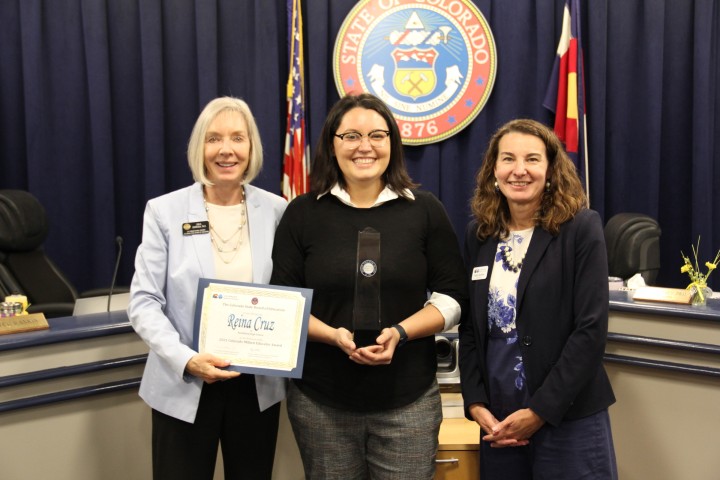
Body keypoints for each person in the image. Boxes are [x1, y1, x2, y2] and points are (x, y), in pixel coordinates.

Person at [270, 93, 467, 479]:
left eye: (377, 135)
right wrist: (331, 336)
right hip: (321, 403)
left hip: (407, 401)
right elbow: (283, 304)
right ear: (332, 144)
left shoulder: (424, 210)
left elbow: (453, 297)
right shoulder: (303, 214)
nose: (365, 147)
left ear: (392, 143)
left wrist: (400, 332)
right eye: (351, 136)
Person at [127, 96, 287, 480]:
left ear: (252, 147)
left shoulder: (279, 210)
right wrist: (185, 359)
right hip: (184, 380)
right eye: (214, 138)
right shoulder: (164, 211)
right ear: (200, 147)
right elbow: (144, 302)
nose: (226, 149)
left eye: (238, 138)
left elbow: (288, 294)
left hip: (255, 386)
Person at [459, 118, 618, 479]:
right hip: (499, 418)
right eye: (508, 159)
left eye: (532, 159)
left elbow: (590, 331)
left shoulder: (580, 227)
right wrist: (476, 402)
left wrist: (540, 412)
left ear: (550, 170)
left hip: (566, 412)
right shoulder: (479, 234)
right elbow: (471, 328)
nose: (519, 170)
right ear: (493, 170)